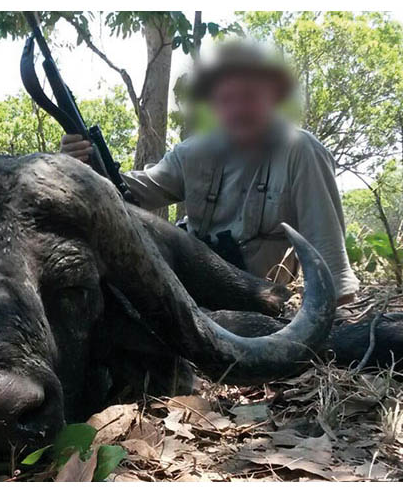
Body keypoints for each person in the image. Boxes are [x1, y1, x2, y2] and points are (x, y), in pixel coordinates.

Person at [60, 40, 359, 303]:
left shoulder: (300, 150)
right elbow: (129, 194)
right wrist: (79, 166)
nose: (238, 108)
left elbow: (331, 262)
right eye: (226, 98)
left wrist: (338, 312)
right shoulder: (193, 152)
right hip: (188, 287)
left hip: (259, 297)